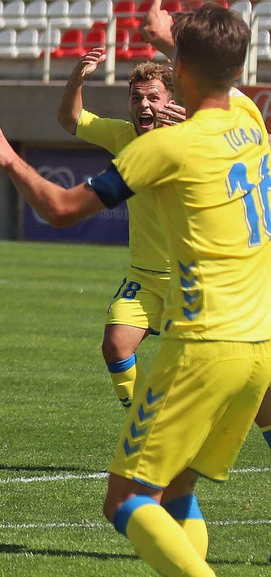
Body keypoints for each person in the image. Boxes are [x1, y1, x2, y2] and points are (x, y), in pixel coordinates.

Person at [0, 2, 266, 577]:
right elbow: (212, 88)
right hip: (259, 345)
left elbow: (62, 208)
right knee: (180, 491)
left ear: (181, 70)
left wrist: (12, 159)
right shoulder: (250, 118)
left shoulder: (163, 147)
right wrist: (175, 42)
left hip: (202, 347)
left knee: (126, 500)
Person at [56, 49, 186, 408]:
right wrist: (78, 76)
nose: (144, 104)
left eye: (153, 97)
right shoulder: (123, 135)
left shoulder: (194, 137)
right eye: (137, 97)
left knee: (230, 380)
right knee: (115, 345)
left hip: (192, 278)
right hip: (145, 277)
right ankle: (147, 430)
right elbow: (71, 118)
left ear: (172, 101)